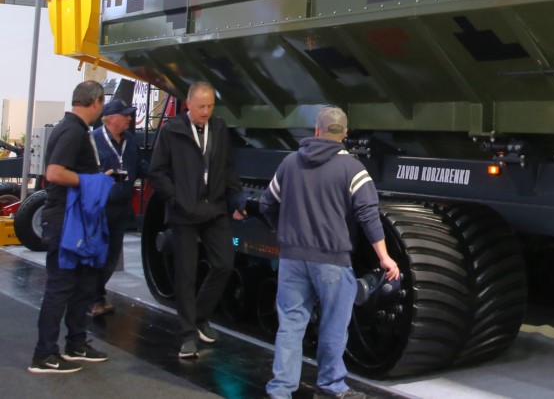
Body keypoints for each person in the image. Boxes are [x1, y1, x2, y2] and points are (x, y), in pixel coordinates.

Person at [261, 106, 399, 399]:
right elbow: (368, 215)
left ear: (316, 130)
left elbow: (267, 203)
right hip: (332, 260)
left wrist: (284, 232)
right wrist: (384, 257)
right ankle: (330, 384)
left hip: (292, 258)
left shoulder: (289, 163)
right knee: (334, 325)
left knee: (290, 324)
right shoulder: (353, 169)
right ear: (345, 134)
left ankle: (281, 389)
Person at [149, 81, 246, 359]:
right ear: (188, 104)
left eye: (211, 106)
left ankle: (200, 317)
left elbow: (227, 168)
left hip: (214, 209)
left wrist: (236, 198)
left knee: (224, 263)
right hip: (184, 212)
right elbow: (157, 172)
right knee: (186, 274)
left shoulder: (219, 129)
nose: (206, 112)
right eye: (201, 106)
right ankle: (188, 335)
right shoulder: (172, 130)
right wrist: (176, 197)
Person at [30, 80, 112, 374]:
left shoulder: (76, 129)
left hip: (77, 220)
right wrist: (94, 181)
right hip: (66, 220)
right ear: (97, 102)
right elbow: (54, 173)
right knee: (61, 286)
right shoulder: (72, 131)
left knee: (83, 283)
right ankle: (44, 354)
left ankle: (76, 343)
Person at [90, 99, 146, 317]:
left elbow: (139, 165)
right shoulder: (94, 140)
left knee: (112, 255)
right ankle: (93, 298)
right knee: (97, 253)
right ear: (110, 118)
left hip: (121, 207)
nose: (129, 118)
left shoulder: (129, 140)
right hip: (100, 207)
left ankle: (95, 295)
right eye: (125, 115)